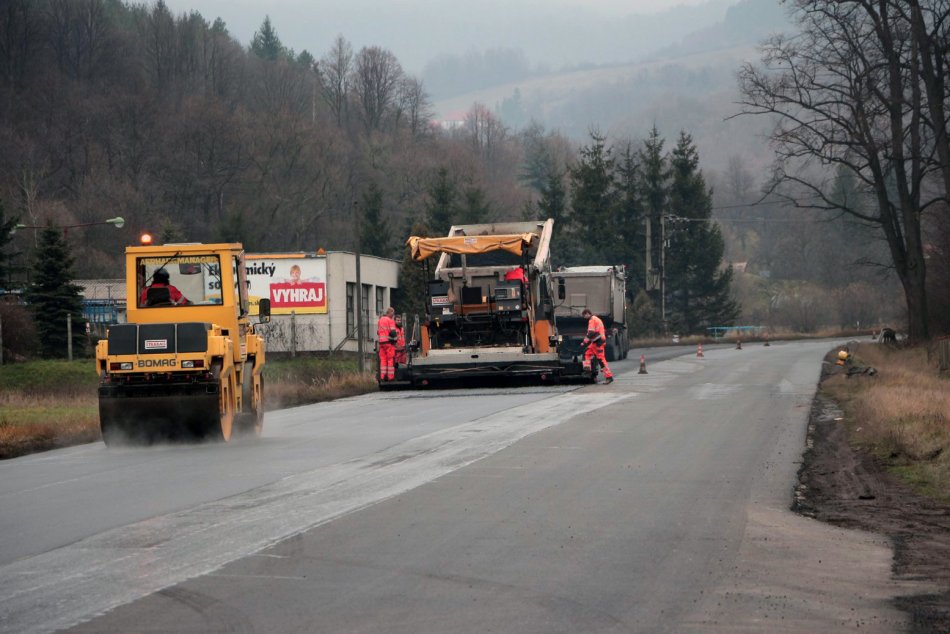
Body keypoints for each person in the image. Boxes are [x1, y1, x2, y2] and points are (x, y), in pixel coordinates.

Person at [580, 308, 613, 384]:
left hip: (598, 342)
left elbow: (591, 332)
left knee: (601, 360)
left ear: (587, 313)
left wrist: (584, 342)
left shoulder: (592, 320)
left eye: (584, 316)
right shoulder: (596, 319)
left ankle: (609, 377)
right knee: (586, 353)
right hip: (596, 342)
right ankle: (587, 370)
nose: (584, 317)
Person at [377, 306, 398, 381]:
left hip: (381, 343)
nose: (393, 315)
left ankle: (383, 376)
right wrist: (395, 341)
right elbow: (393, 332)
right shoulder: (390, 320)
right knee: (390, 359)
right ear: (390, 312)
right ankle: (390, 377)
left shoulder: (380, 320)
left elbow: (378, 332)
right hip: (389, 343)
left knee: (383, 360)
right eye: (393, 313)